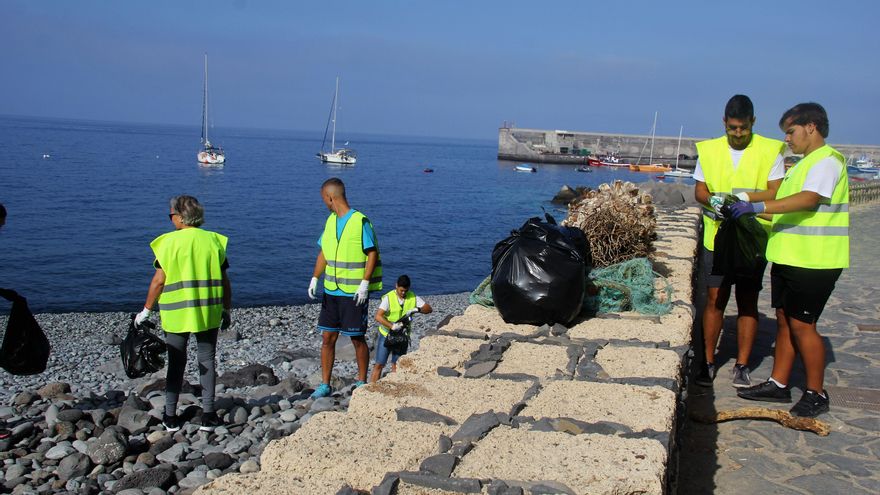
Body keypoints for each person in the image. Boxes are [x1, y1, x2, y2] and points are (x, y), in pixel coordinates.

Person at [732, 102, 848, 417]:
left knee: (803, 325)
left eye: (791, 131)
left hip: (815, 262)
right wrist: (745, 197)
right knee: (785, 320)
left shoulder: (826, 162)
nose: (787, 139)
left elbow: (808, 198)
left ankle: (816, 393)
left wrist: (758, 209)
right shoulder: (803, 163)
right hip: (789, 258)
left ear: (811, 127)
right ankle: (779, 384)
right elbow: (781, 195)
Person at [694, 95, 786, 388]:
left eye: (743, 129)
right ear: (724, 123)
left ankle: (742, 365)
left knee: (748, 301)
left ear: (753, 123)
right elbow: (699, 191)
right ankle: (708, 362)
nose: (737, 134)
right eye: (732, 128)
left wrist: (745, 199)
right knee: (715, 299)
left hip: (750, 241)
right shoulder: (708, 150)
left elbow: (776, 192)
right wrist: (715, 201)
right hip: (717, 239)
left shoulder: (771, 151)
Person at [135, 195, 232, 432]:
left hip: (176, 312)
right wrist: (226, 308)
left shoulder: (167, 243)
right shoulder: (214, 241)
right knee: (207, 359)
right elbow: (225, 281)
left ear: (179, 217)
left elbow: (159, 281)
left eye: (171, 215)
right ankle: (208, 415)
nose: (170, 219)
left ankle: (170, 416)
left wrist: (145, 311)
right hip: (208, 310)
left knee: (176, 363)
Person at [308, 178, 382, 398]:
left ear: (331, 197)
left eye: (324, 199)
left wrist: (365, 283)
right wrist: (315, 277)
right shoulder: (330, 221)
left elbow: (372, 253)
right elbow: (323, 252)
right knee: (327, 338)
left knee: (357, 337)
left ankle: (361, 381)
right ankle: (324, 385)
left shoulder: (360, 221)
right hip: (331, 291)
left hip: (353, 293)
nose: (324, 203)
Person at [370, 275, 433, 383]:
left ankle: (395, 386)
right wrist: (392, 326)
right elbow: (378, 316)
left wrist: (417, 309)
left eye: (406, 291)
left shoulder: (412, 297)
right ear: (396, 286)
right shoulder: (389, 298)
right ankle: (371, 387)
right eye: (401, 290)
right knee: (379, 364)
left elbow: (429, 309)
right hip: (386, 335)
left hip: (402, 336)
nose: (403, 293)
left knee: (397, 365)